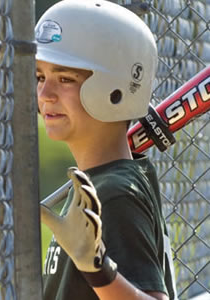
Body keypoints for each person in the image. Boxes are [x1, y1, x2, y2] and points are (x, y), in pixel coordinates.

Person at [36, 0, 178, 299]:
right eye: (40, 77)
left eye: (65, 79)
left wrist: (97, 269)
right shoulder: (105, 180)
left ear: (116, 88)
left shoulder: (114, 193)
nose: (45, 94)